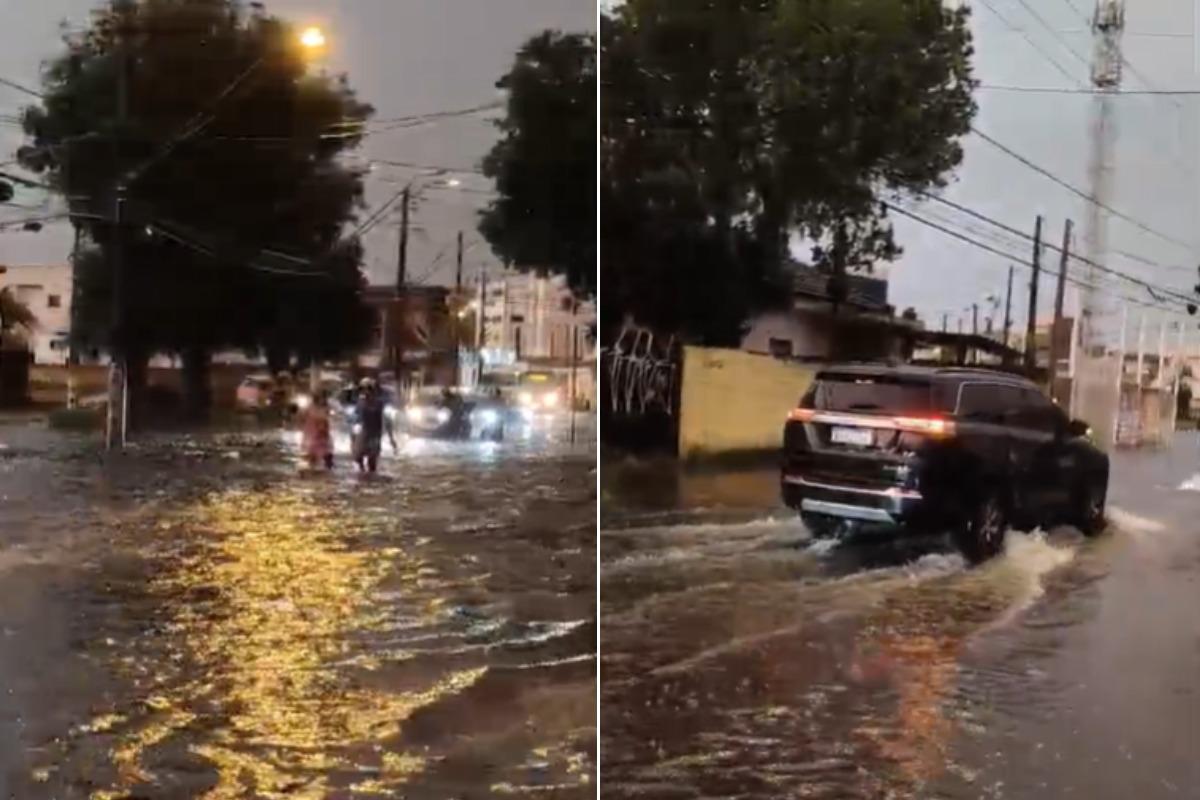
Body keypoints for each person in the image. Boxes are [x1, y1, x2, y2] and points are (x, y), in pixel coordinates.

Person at [353, 378, 396, 473]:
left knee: (372, 463)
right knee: (358, 458)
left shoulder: (379, 404)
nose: (365, 392)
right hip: (364, 435)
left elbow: (387, 421)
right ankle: (363, 476)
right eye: (363, 389)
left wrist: (391, 439)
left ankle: (370, 480)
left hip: (375, 436)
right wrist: (353, 438)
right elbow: (355, 421)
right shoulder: (360, 403)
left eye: (368, 389)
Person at [300, 390, 334, 471]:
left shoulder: (327, 406)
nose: (321, 399)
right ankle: (313, 470)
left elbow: (328, 417)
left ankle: (328, 469)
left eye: (323, 397)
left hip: (323, 432)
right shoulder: (310, 407)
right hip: (313, 433)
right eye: (319, 397)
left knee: (327, 453)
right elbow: (302, 417)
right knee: (313, 453)